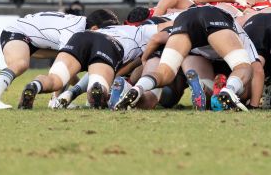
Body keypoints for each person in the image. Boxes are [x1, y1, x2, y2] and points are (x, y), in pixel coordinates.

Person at [115, 4, 255, 111]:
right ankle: (229, 90)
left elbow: (157, 38)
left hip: (184, 18)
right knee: (243, 67)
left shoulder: (174, 15)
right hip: (215, 17)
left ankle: (138, 87)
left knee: (164, 73)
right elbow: (257, 68)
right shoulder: (242, 32)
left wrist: (144, 59)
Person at [18, 10, 166, 109]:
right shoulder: (140, 31)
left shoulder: (97, 29)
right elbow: (168, 27)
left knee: (54, 79)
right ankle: (97, 89)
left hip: (80, 37)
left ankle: (35, 85)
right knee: (99, 86)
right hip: (108, 44)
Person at [0, 9, 87, 109]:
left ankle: (56, 101)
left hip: (36, 38)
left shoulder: (80, 24)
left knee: (68, 60)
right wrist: (83, 88)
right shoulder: (73, 32)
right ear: (94, 28)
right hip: (17, 32)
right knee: (20, 63)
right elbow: (68, 69)